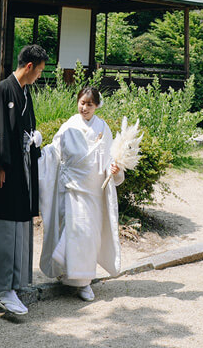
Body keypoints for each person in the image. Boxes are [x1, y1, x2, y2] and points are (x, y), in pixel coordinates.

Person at [0, 43, 47, 316]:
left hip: (21, 167)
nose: (39, 76)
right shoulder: (2, 90)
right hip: (4, 169)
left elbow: (23, 127)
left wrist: (34, 138)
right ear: (29, 67)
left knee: (19, 221)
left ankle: (14, 282)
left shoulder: (24, 91)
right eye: (39, 71)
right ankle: (3, 287)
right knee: (4, 223)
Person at [38, 85, 123, 302]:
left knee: (89, 236)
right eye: (82, 103)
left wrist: (115, 169)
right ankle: (67, 274)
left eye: (89, 104)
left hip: (93, 190)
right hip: (71, 188)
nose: (84, 108)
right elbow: (54, 152)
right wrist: (36, 152)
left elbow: (110, 157)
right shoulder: (68, 126)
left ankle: (84, 282)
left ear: (97, 106)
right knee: (71, 232)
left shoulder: (103, 128)